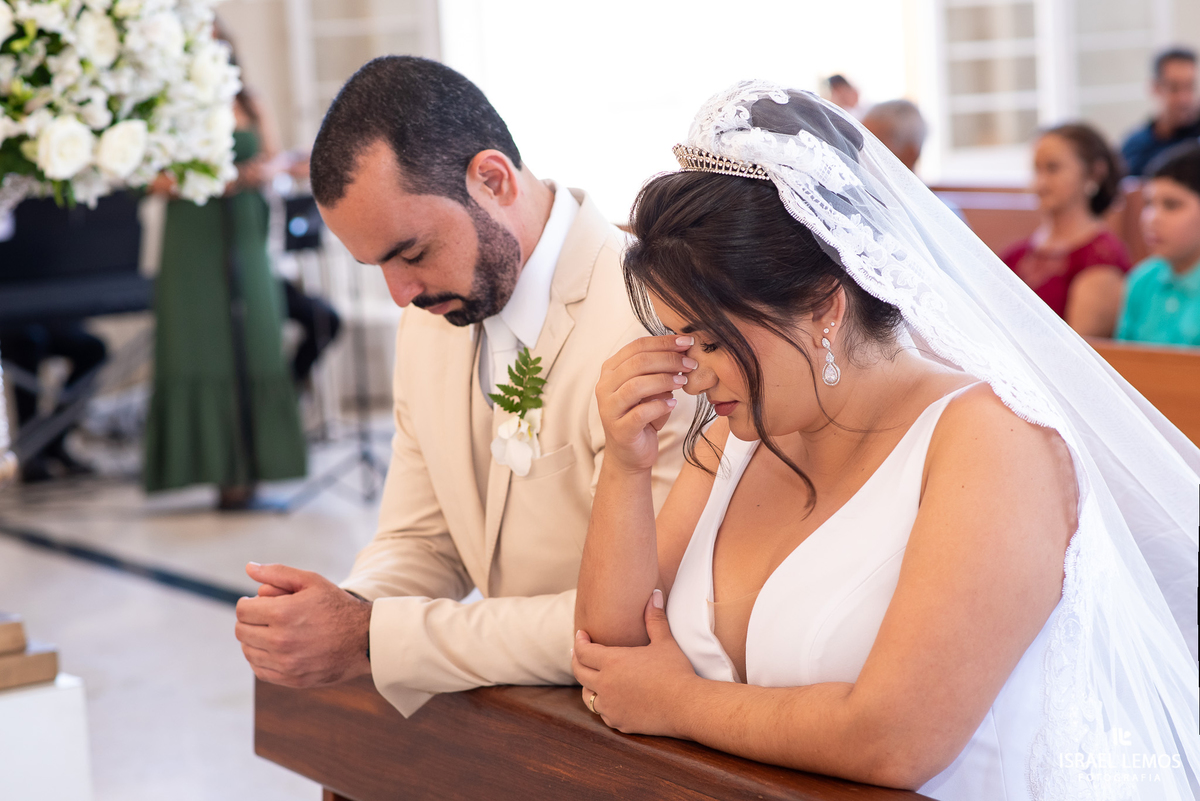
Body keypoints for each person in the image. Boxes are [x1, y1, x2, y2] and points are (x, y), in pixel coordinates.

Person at [572, 82, 1198, 799]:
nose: (691, 374)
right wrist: (625, 464)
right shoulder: (736, 435)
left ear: (822, 306)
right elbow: (607, 654)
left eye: (714, 340)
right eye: (682, 339)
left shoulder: (993, 442)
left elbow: (900, 738)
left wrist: (678, 703)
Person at [233, 57, 694, 716]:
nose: (400, 295)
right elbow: (423, 539)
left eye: (411, 253)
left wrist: (373, 635)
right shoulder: (434, 319)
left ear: (492, 178)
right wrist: (345, 607)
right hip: (513, 721)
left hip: (643, 726)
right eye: (377, 266)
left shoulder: (653, 315)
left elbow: (644, 612)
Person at [142, 29, 307, 509]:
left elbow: (274, 158)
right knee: (200, 343)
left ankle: (259, 463)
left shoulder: (251, 103)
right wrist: (206, 178)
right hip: (192, 236)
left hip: (247, 232)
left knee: (257, 337)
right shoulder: (166, 106)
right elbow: (147, 178)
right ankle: (214, 468)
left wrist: (263, 172)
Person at [1000, 123, 1131, 336]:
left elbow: (1081, 355)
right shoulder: (1014, 255)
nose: (1039, 183)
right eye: (1036, 169)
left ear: (1094, 174)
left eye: (1052, 168)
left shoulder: (1100, 258)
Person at [1116, 141, 1200, 346]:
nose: (1153, 218)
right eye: (1149, 204)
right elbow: (1121, 364)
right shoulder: (1141, 280)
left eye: (1171, 205)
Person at [0, 320, 105, 481]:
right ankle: (30, 452)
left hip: (46, 320)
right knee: (28, 341)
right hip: (10, 324)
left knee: (94, 349)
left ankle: (55, 440)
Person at [1121, 47, 1200, 178]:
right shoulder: (1134, 147)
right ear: (1155, 88)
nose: (1184, 99)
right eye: (1174, 88)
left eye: (1190, 87)